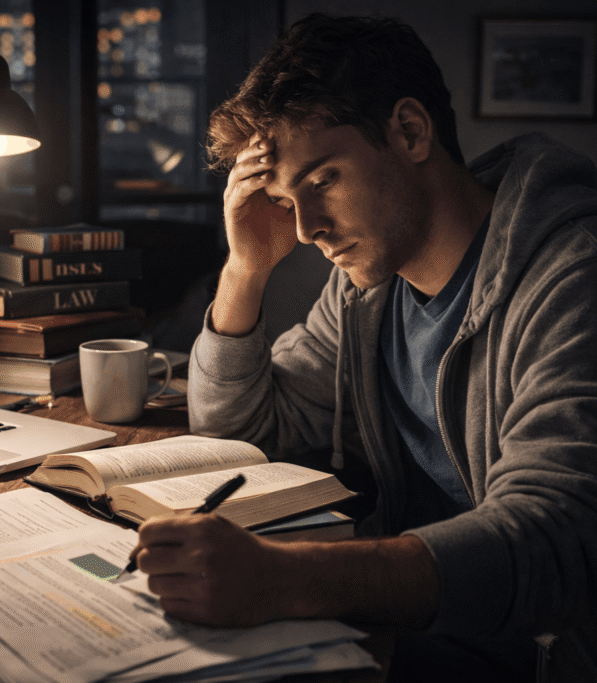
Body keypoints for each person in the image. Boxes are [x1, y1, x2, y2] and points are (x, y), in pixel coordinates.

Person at [126, 14, 597, 683]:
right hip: (411, 632)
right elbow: (246, 430)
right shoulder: (367, 290)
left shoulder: (571, 274)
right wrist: (245, 269)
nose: (308, 228)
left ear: (409, 131)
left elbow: (558, 538)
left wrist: (281, 578)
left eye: (322, 180)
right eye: (289, 198)